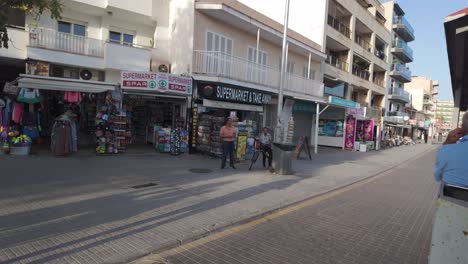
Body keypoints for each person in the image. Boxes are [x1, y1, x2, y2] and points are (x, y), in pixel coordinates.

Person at [433, 112, 468, 189]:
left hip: (448, 199)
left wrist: (447, 143)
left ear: (462, 128)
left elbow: (437, 177)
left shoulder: (446, 150)